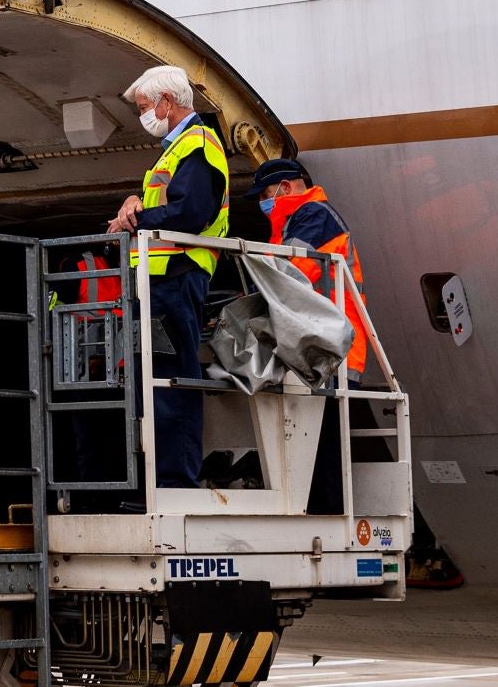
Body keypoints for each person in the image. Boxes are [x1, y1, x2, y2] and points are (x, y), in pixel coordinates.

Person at [107, 65, 228, 489]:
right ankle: (161, 481)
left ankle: (175, 483)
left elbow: (192, 213)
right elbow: (169, 202)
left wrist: (136, 222)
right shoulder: (178, 148)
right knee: (156, 383)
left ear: (167, 102)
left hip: (176, 278)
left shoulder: (196, 142)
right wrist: (134, 208)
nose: (143, 116)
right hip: (163, 281)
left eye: (145, 107)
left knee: (170, 382)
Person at [250, 158, 372, 515]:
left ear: (286, 188)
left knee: (323, 446)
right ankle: (321, 513)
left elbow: (287, 275)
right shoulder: (302, 219)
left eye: (266, 194)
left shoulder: (313, 216)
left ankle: (327, 518)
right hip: (323, 346)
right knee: (317, 446)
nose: (264, 202)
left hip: (331, 349)